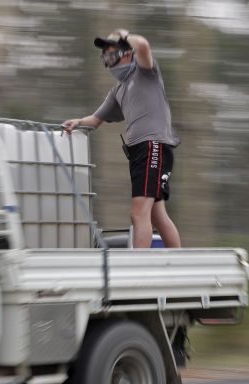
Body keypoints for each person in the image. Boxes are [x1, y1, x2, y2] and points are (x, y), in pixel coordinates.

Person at [63, 29, 181, 248]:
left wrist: (124, 37)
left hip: (153, 147)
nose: (108, 61)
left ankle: (138, 269)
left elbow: (143, 45)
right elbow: (96, 119)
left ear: (127, 53)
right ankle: (180, 262)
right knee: (156, 216)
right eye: (105, 57)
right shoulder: (118, 89)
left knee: (138, 214)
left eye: (111, 54)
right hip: (139, 153)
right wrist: (78, 121)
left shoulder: (146, 73)